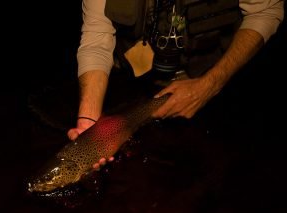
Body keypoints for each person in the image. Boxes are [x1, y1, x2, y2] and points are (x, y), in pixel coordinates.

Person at [67, 0, 284, 168]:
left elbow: (266, 12)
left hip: (218, 80)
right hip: (133, 80)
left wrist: (208, 86)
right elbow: (97, 39)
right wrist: (88, 121)